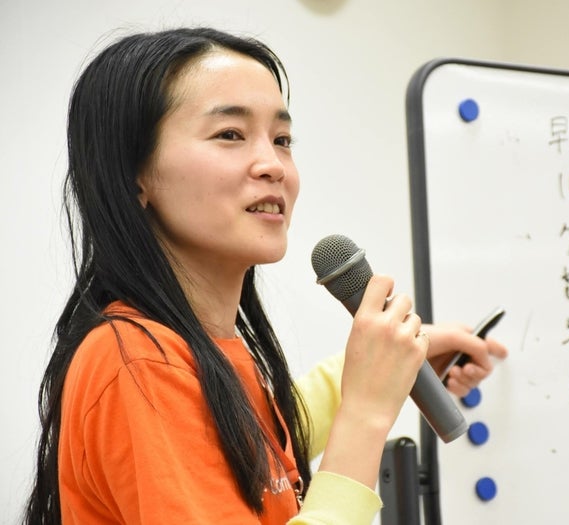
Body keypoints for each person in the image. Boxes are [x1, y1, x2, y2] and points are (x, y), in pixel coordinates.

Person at [25, 27, 507, 524]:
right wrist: (364, 414)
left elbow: (259, 445)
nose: (273, 165)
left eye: (282, 140)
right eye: (230, 135)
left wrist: (391, 365)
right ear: (134, 175)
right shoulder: (138, 362)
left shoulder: (198, 351)